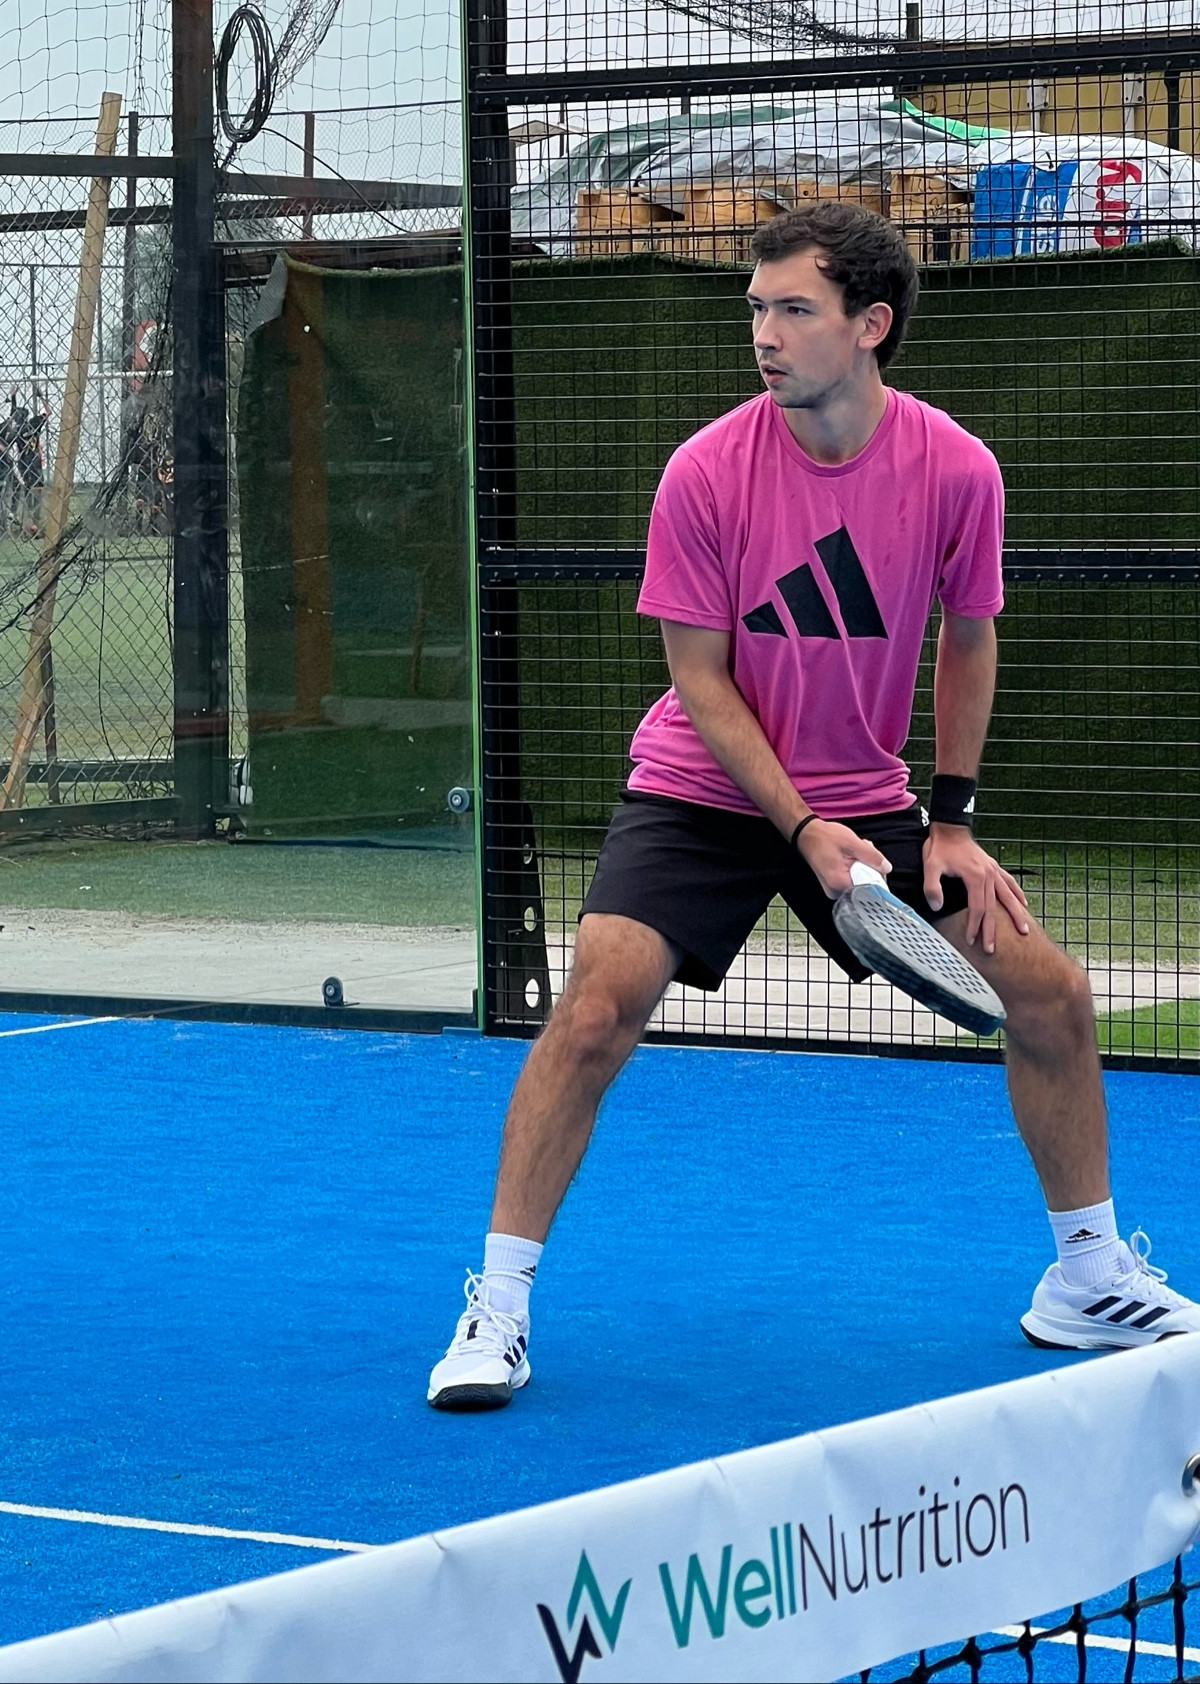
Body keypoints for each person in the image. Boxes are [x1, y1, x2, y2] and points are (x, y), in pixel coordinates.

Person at [427, 201, 1200, 1411]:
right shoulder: (704, 470)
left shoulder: (957, 469)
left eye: (794, 309)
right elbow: (699, 679)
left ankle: (1088, 1278)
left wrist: (951, 819)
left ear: (870, 324)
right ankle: (499, 1308)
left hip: (868, 801)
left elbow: (968, 637)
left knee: (1051, 994)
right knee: (595, 1009)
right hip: (702, 786)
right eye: (757, 309)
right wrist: (799, 827)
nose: (765, 334)